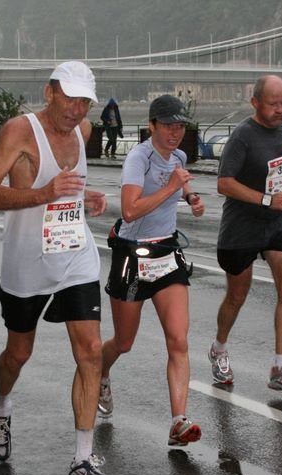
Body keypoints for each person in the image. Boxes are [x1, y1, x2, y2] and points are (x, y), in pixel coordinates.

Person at [0, 61, 112, 475]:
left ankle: (82, 460)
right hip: (26, 262)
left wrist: (84, 196)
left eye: (84, 101)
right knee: (18, 354)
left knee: (90, 351)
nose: (76, 109)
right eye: (69, 97)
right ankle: (1, 406)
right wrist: (44, 193)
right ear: (49, 92)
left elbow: (65, 189)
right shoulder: (19, 131)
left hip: (75, 255)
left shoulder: (84, 132)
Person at [98, 95, 205, 447]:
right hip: (131, 256)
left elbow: (180, 176)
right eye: (169, 125)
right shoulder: (137, 159)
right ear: (152, 126)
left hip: (166, 251)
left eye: (180, 126)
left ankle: (178, 420)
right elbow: (129, 211)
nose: (176, 133)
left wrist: (190, 196)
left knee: (178, 339)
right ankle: (99, 371)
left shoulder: (179, 156)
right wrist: (173, 188)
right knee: (124, 342)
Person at [207, 75, 282, 395]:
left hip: (278, 223)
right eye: (273, 104)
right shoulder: (242, 137)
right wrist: (267, 199)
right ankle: (219, 348)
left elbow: (281, 171)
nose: (281, 110)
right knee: (237, 295)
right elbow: (224, 183)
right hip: (242, 224)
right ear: (255, 103)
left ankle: (281, 366)